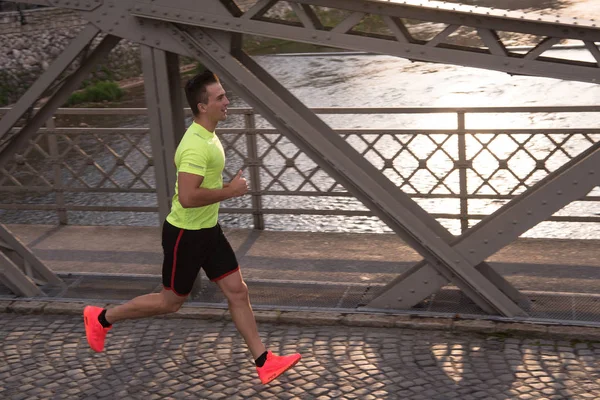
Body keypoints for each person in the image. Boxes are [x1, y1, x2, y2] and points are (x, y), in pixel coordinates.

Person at [83, 69, 301, 385]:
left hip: (208, 230)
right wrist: (231, 191)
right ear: (202, 106)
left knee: (238, 292)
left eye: (225, 95)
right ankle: (101, 318)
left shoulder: (208, 134)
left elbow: (200, 188)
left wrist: (225, 188)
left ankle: (264, 361)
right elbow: (186, 198)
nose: (227, 101)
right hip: (185, 234)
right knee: (170, 302)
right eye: (220, 98)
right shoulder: (196, 146)